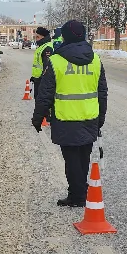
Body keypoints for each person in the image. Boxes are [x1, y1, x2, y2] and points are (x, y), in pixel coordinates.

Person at [32, 20, 107, 207]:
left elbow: (45, 94)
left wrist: (37, 117)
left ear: (64, 37)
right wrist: (101, 117)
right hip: (90, 117)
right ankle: (80, 192)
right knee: (83, 156)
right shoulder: (96, 59)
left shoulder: (56, 61)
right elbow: (102, 92)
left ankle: (77, 196)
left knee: (71, 159)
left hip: (66, 118)